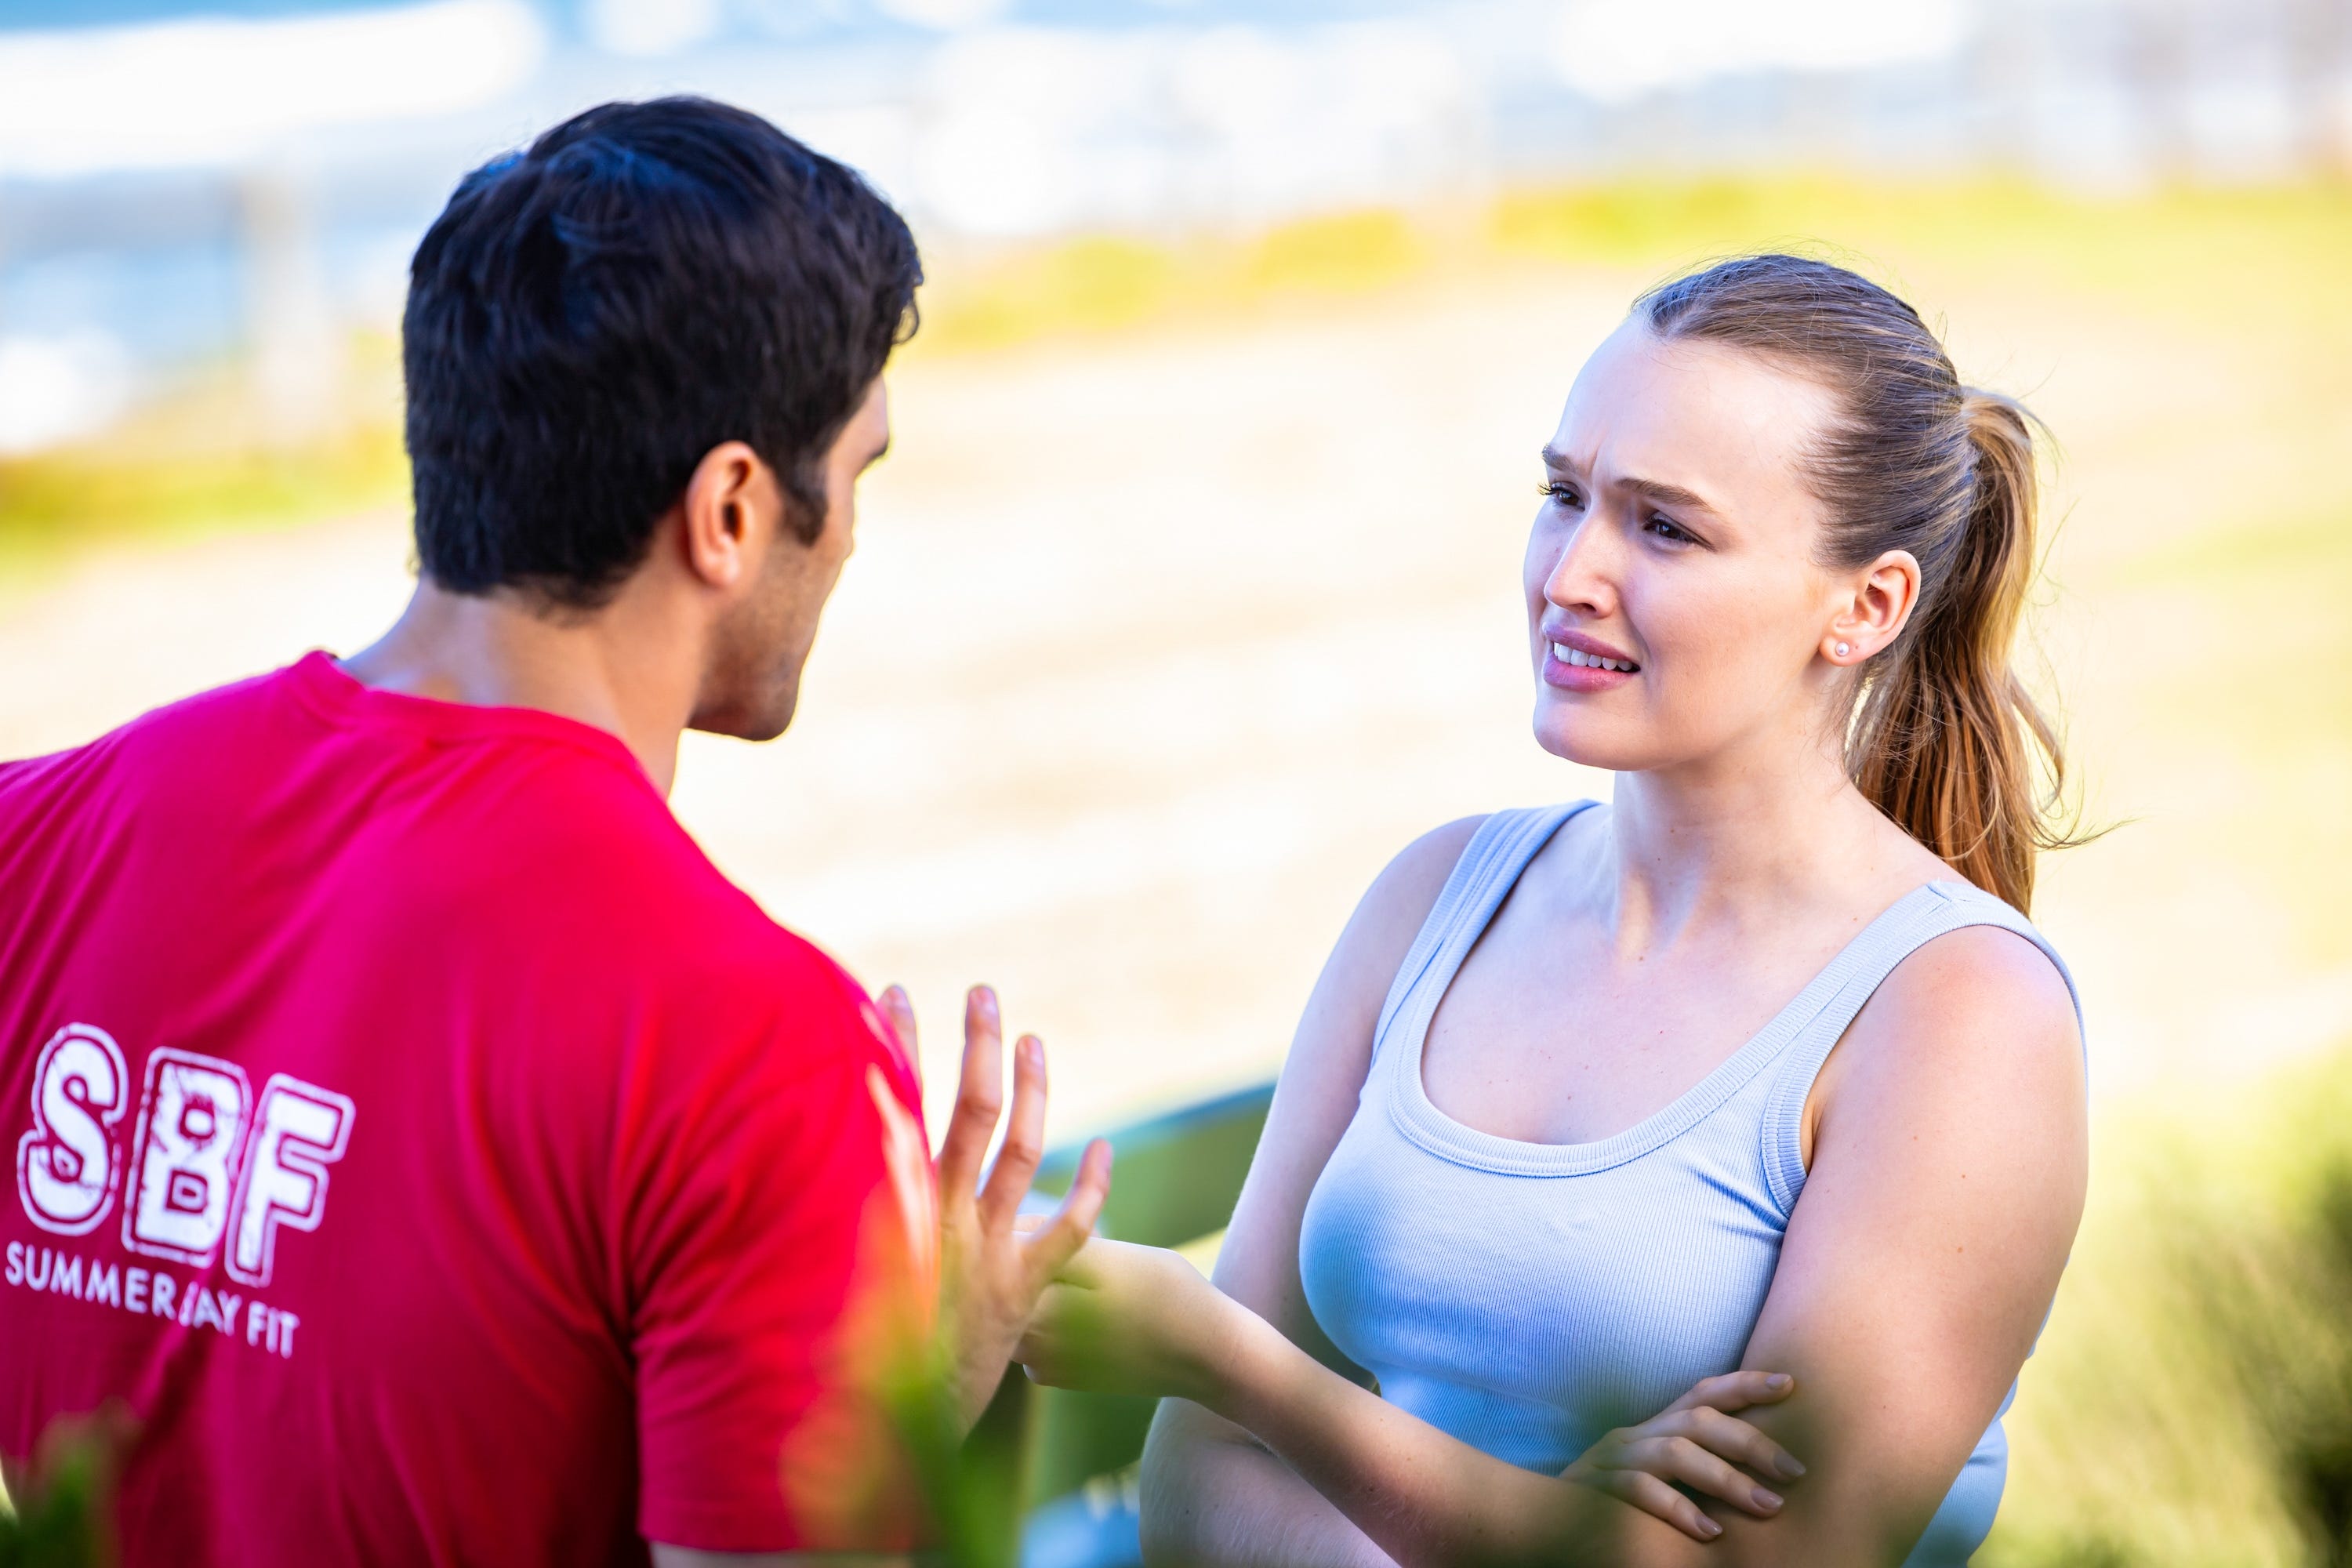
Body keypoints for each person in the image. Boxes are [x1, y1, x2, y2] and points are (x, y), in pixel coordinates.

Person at [0, 97, 1116, 1566]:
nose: (849, 535)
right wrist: (903, 1431)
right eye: (856, 478)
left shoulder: (39, 841)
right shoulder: (756, 1056)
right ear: (729, 509)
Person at [1018, 254, 2090, 1567]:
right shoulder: (1438, 897)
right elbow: (1194, 1490)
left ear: (1864, 608)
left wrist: (1243, 1371)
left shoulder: (1962, 1015)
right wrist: (1555, 1530)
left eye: (1666, 527)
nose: (1571, 572)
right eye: (1563, 494)